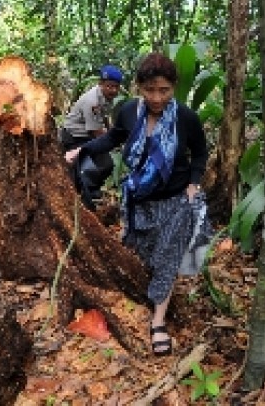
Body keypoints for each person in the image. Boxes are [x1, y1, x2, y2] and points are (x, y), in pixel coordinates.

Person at [65, 52, 211, 356]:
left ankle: (158, 322)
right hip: (140, 201)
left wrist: (194, 183)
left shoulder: (185, 117)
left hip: (175, 201)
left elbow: (199, 153)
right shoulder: (130, 111)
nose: (157, 97)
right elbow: (114, 138)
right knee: (143, 256)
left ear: (173, 87)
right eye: (149, 90)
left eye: (164, 90)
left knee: (167, 260)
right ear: (138, 88)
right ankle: (143, 301)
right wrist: (82, 150)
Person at [61, 64, 124, 209]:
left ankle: (89, 190)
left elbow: (104, 120)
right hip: (74, 137)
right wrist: (115, 140)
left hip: (87, 135)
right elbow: (95, 132)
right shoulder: (92, 101)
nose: (113, 90)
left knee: (106, 164)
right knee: (85, 168)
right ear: (101, 84)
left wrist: (111, 132)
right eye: (109, 86)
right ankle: (82, 197)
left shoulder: (105, 98)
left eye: (116, 87)